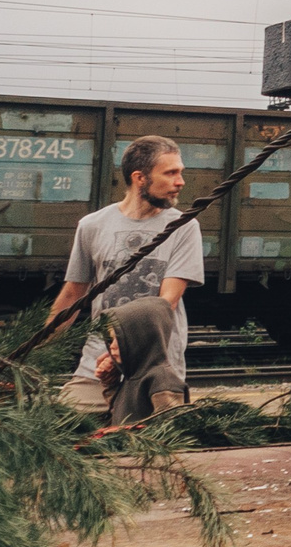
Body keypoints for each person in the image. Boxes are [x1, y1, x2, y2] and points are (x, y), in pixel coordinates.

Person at [47, 136, 204, 412]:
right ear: (139, 178)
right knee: (66, 428)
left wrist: (120, 351)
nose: (180, 182)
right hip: (95, 365)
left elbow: (167, 302)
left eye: (180, 173)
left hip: (155, 370)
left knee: (144, 448)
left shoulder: (184, 227)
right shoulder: (92, 226)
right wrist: (37, 350)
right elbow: (72, 295)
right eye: (170, 173)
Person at [96, 297, 187, 424]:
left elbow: (170, 430)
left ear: (141, 338)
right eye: (110, 340)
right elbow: (122, 416)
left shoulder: (161, 379)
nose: (112, 346)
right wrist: (110, 384)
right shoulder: (132, 378)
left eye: (119, 338)